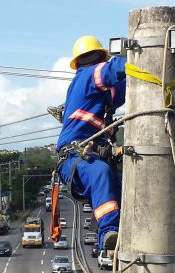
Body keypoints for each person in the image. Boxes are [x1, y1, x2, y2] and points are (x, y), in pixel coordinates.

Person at [54, 35, 126, 251]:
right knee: (101, 173)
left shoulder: (100, 93)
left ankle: (123, 230)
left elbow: (125, 86)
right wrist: (139, 56)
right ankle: (108, 233)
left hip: (89, 155)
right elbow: (113, 70)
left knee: (121, 184)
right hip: (75, 157)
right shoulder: (86, 77)